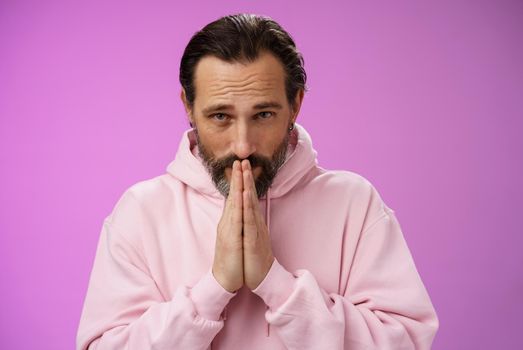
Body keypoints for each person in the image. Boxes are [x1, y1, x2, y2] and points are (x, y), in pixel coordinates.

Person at [77, 13, 438, 350]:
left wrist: (276, 284)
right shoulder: (141, 213)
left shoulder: (355, 204)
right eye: (220, 116)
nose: (243, 146)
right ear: (188, 106)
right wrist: (214, 287)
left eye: (264, 114)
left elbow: (406, 341)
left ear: (295, 105)